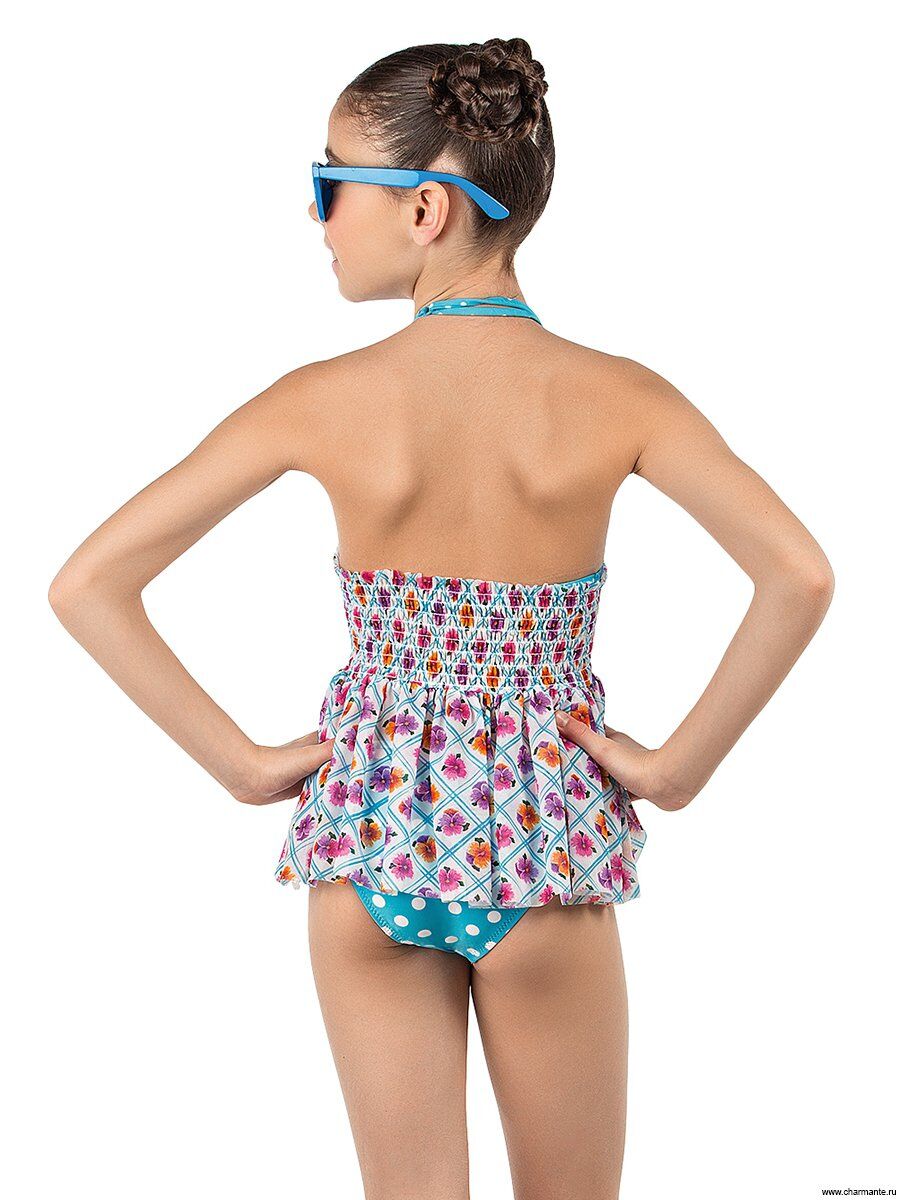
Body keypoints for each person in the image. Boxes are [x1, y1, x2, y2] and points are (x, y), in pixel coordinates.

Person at [48, 37, 834, 1200]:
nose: (316, 215)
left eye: (330, 183)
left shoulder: (318, 403)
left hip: (371, 840)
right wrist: (675, 772)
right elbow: (798, 574)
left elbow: (88, 583)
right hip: (544, 845)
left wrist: (243, 766)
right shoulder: (625, 398)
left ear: (425, 209)